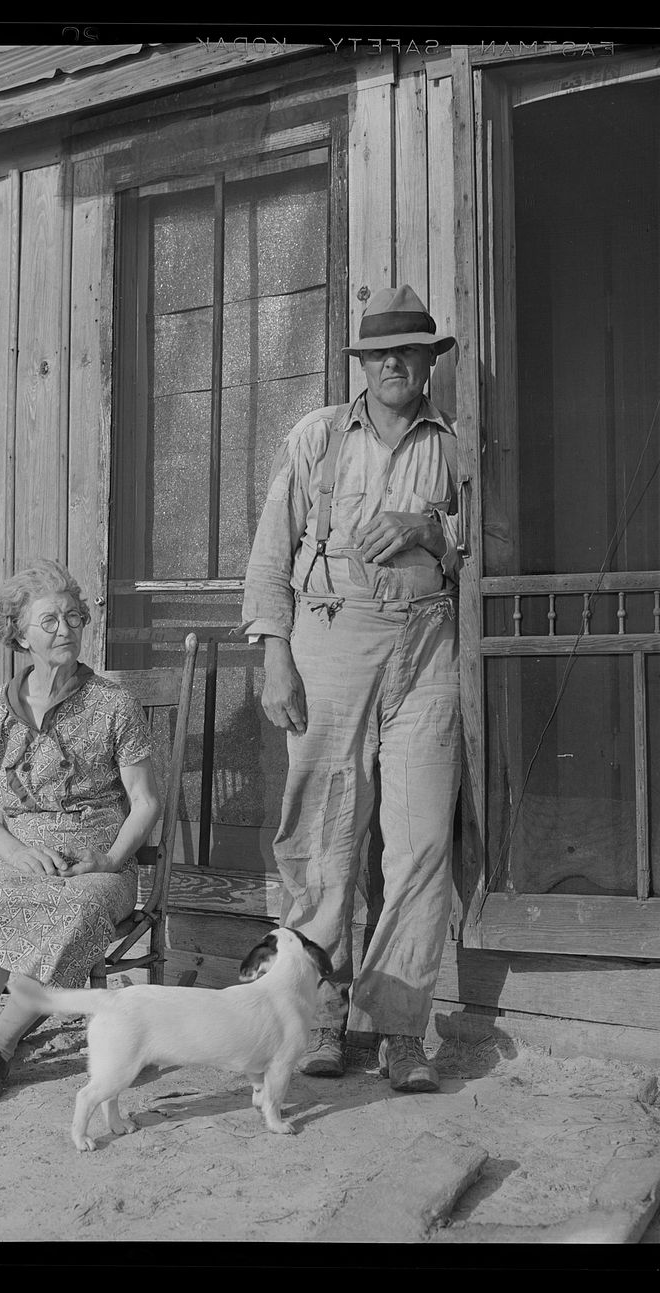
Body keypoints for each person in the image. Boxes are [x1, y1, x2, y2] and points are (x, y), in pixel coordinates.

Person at [240, 285, 462, 1092]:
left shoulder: (454, 446)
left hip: (430, 643)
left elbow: (486, 539)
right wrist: (274, 656)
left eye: (410, 351)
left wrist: (428, 528)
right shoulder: (320, 436)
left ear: (430, 362)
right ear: (362, 365)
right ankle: (320, 1017)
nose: (396, 364)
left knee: (421, 838)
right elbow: (270, 552)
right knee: (324, 834)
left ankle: (399, 1027)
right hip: (331, 634)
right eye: (380, 354)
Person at [0, 558, 161, 1105]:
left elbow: (144, 803)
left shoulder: (114, 705)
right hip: (24, 860)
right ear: (19, 635)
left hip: (95, 862)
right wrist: (16, 851)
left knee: (75, 913)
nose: (65, 629)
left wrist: (110, 860)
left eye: (73, 618)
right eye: (49, 621)